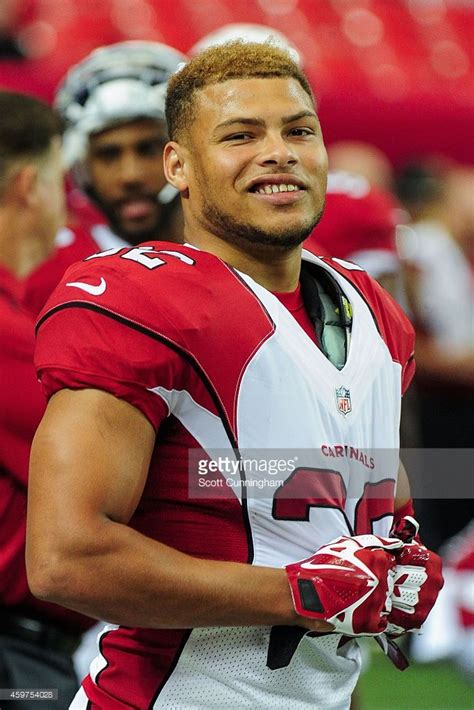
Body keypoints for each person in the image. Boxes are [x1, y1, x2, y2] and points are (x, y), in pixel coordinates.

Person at [27, 42, 443, 709]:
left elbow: (369, 492)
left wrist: (400, 559)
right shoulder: (140, 300)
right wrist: (298, 592)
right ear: (180, 167)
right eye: (240, 135)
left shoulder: (372, 310)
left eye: (298, 130)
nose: (278, 151)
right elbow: (66, 558)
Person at [0, 90, 94, 709]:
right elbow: (148, 471)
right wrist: (327, 477)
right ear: (32, 185)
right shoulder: (12, 339)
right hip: (15, 657)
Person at [22, 40, 187, 317]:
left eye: (148, 149)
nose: (129, 176)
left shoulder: (238, 249)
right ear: (80, 165)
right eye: (108, 155)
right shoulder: (46, 273)